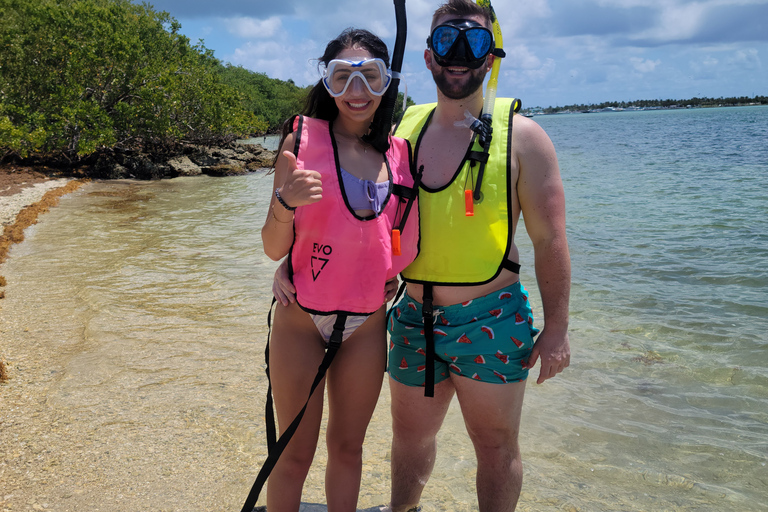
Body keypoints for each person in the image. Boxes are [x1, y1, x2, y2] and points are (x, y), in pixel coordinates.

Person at [273, 1, 571, 510]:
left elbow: (551, 240)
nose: (459, 55)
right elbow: (358, 209)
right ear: (428, 58)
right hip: (410, 315)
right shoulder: (403, 130)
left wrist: (558, 328)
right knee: (409, 444)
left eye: (474, 42)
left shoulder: (524, 137)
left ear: (492, 55)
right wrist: (292, 257)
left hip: (491, 316)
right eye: (447, 42)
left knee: (496, 445)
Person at [258, 28, 419, 512]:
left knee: (348, 450)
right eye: (342, 77)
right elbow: (272, 246)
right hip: (301, 320)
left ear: (386, 84)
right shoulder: (302, 142)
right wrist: (286, 204)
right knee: (293, 455)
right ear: (326, 83)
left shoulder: (397, 155)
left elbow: (391, 244)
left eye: (370, 78)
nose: (356, 92)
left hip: (367, 324)